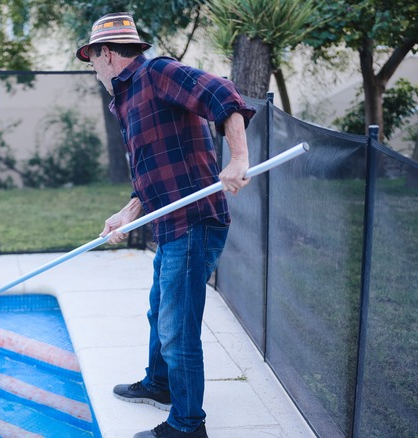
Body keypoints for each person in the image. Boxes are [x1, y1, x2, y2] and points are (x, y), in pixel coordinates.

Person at [75, 12, 256, 438]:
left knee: (178, 325)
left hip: (194, 223)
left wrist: (240, 160)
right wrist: (127, 212)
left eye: (92, 59)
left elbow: (223, 95)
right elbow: (155, 173)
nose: (93, 69)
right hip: (171, 223)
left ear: (106, 53)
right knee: (161, 310)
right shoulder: (126, 98)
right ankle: (160, 384)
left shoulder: (156, 72)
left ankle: (189, 425)